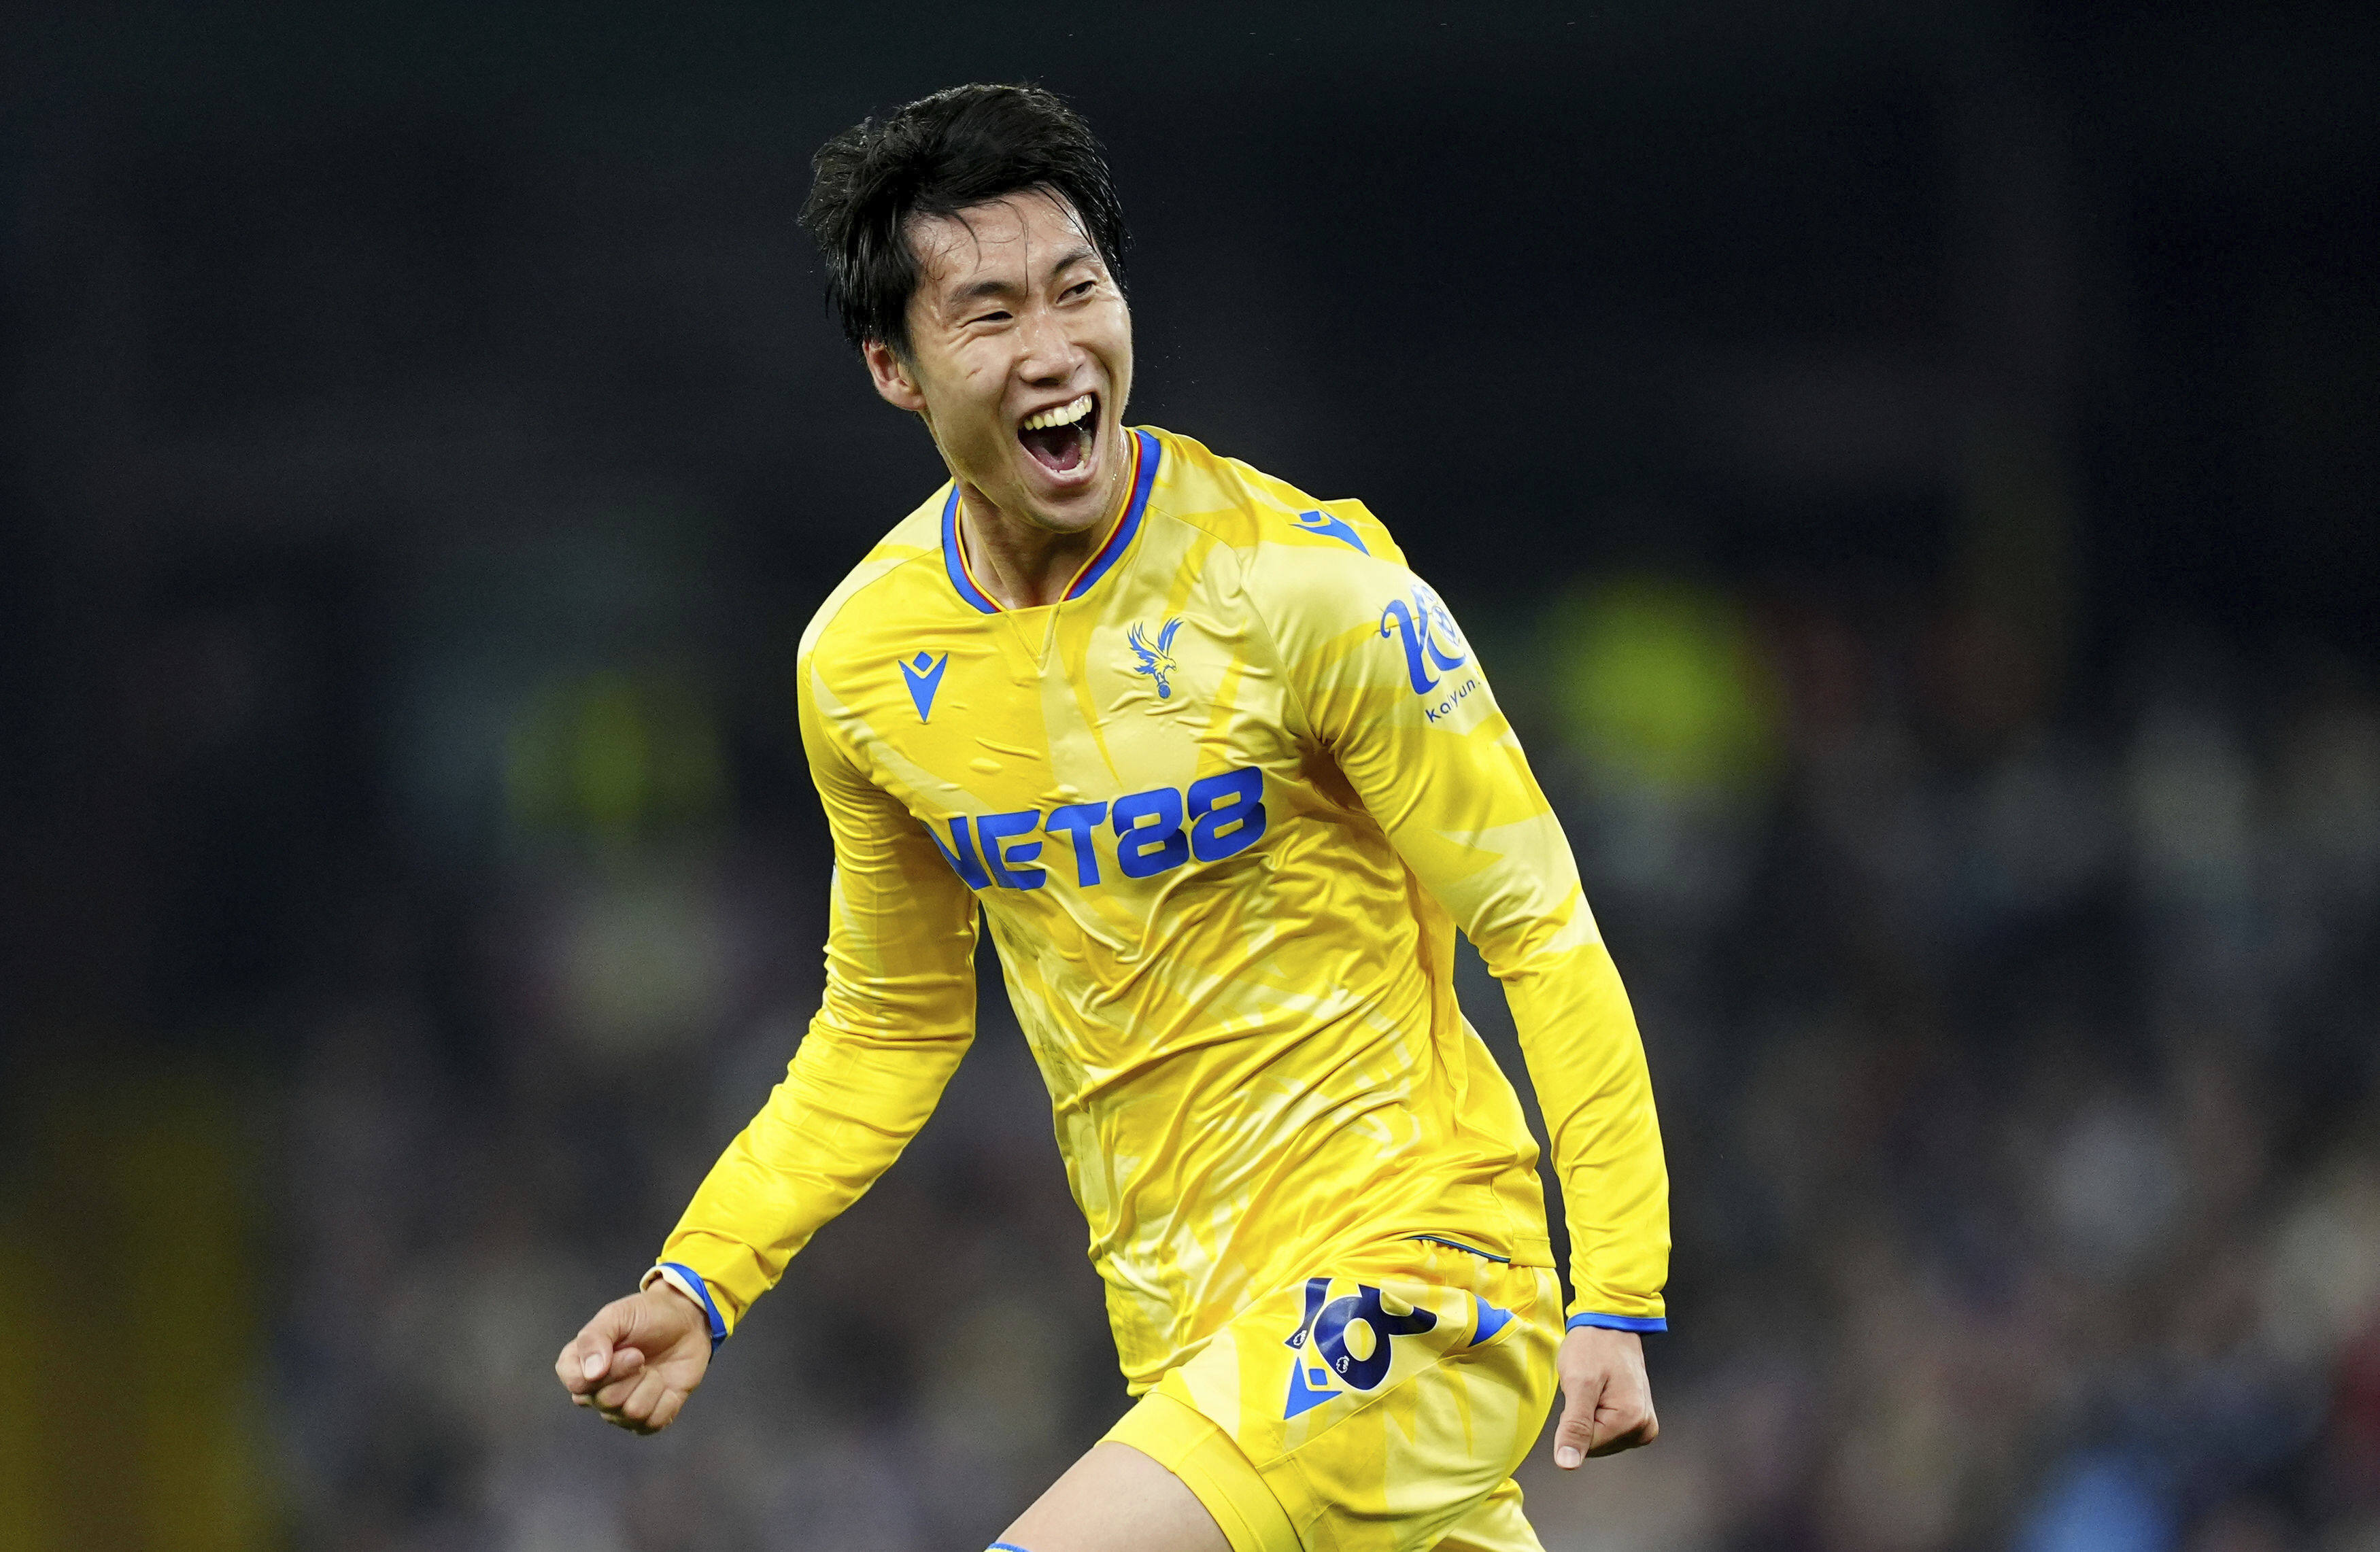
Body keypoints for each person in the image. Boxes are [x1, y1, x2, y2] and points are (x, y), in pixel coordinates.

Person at [554, 82, 1669, 1552]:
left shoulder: (1304, 587)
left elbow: (1535, 921)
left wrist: (1617, 1288)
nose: (1053, 347)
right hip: (1192, 1344)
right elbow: (888, 1024)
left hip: (1417, 1280)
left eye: (1079, 290)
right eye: (990, 313)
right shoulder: (866, 665)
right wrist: (701, 1277)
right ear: (894, 366)